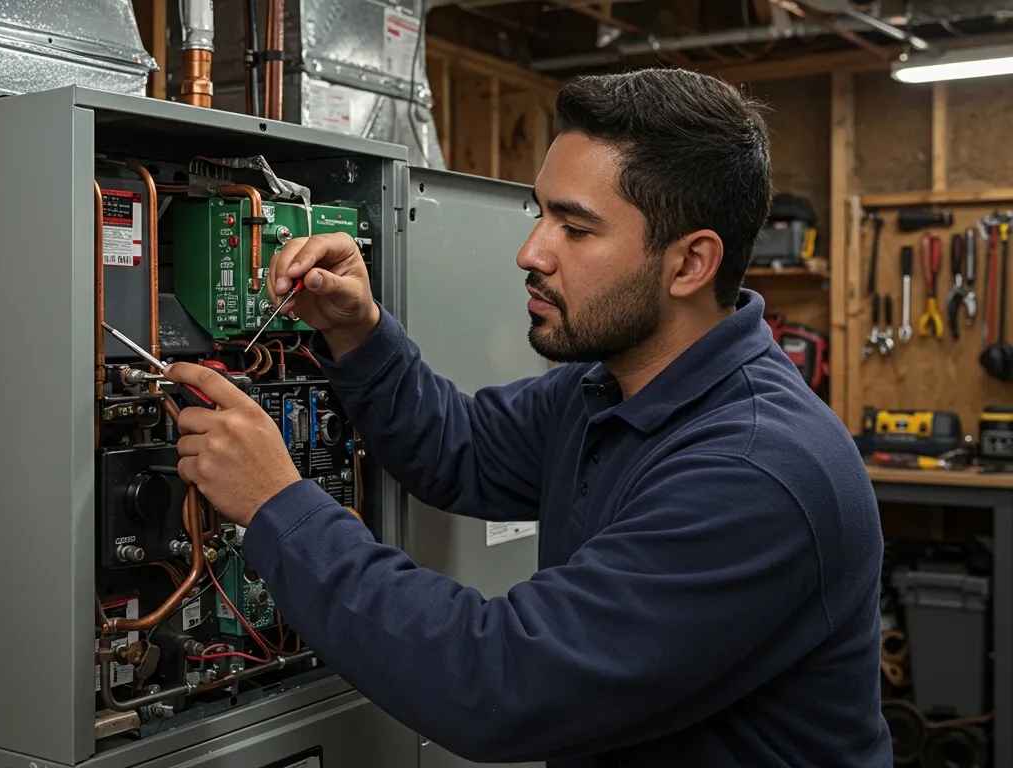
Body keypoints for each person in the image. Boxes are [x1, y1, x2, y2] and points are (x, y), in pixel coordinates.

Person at [162, 67, 891, 766]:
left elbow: (499, 682)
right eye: (539, 213)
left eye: (574, 228)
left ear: (690, 264)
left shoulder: (756, 472)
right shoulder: (605, 388)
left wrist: (276, 507)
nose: (529, 251)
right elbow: (461, 449)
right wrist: (357, 330)